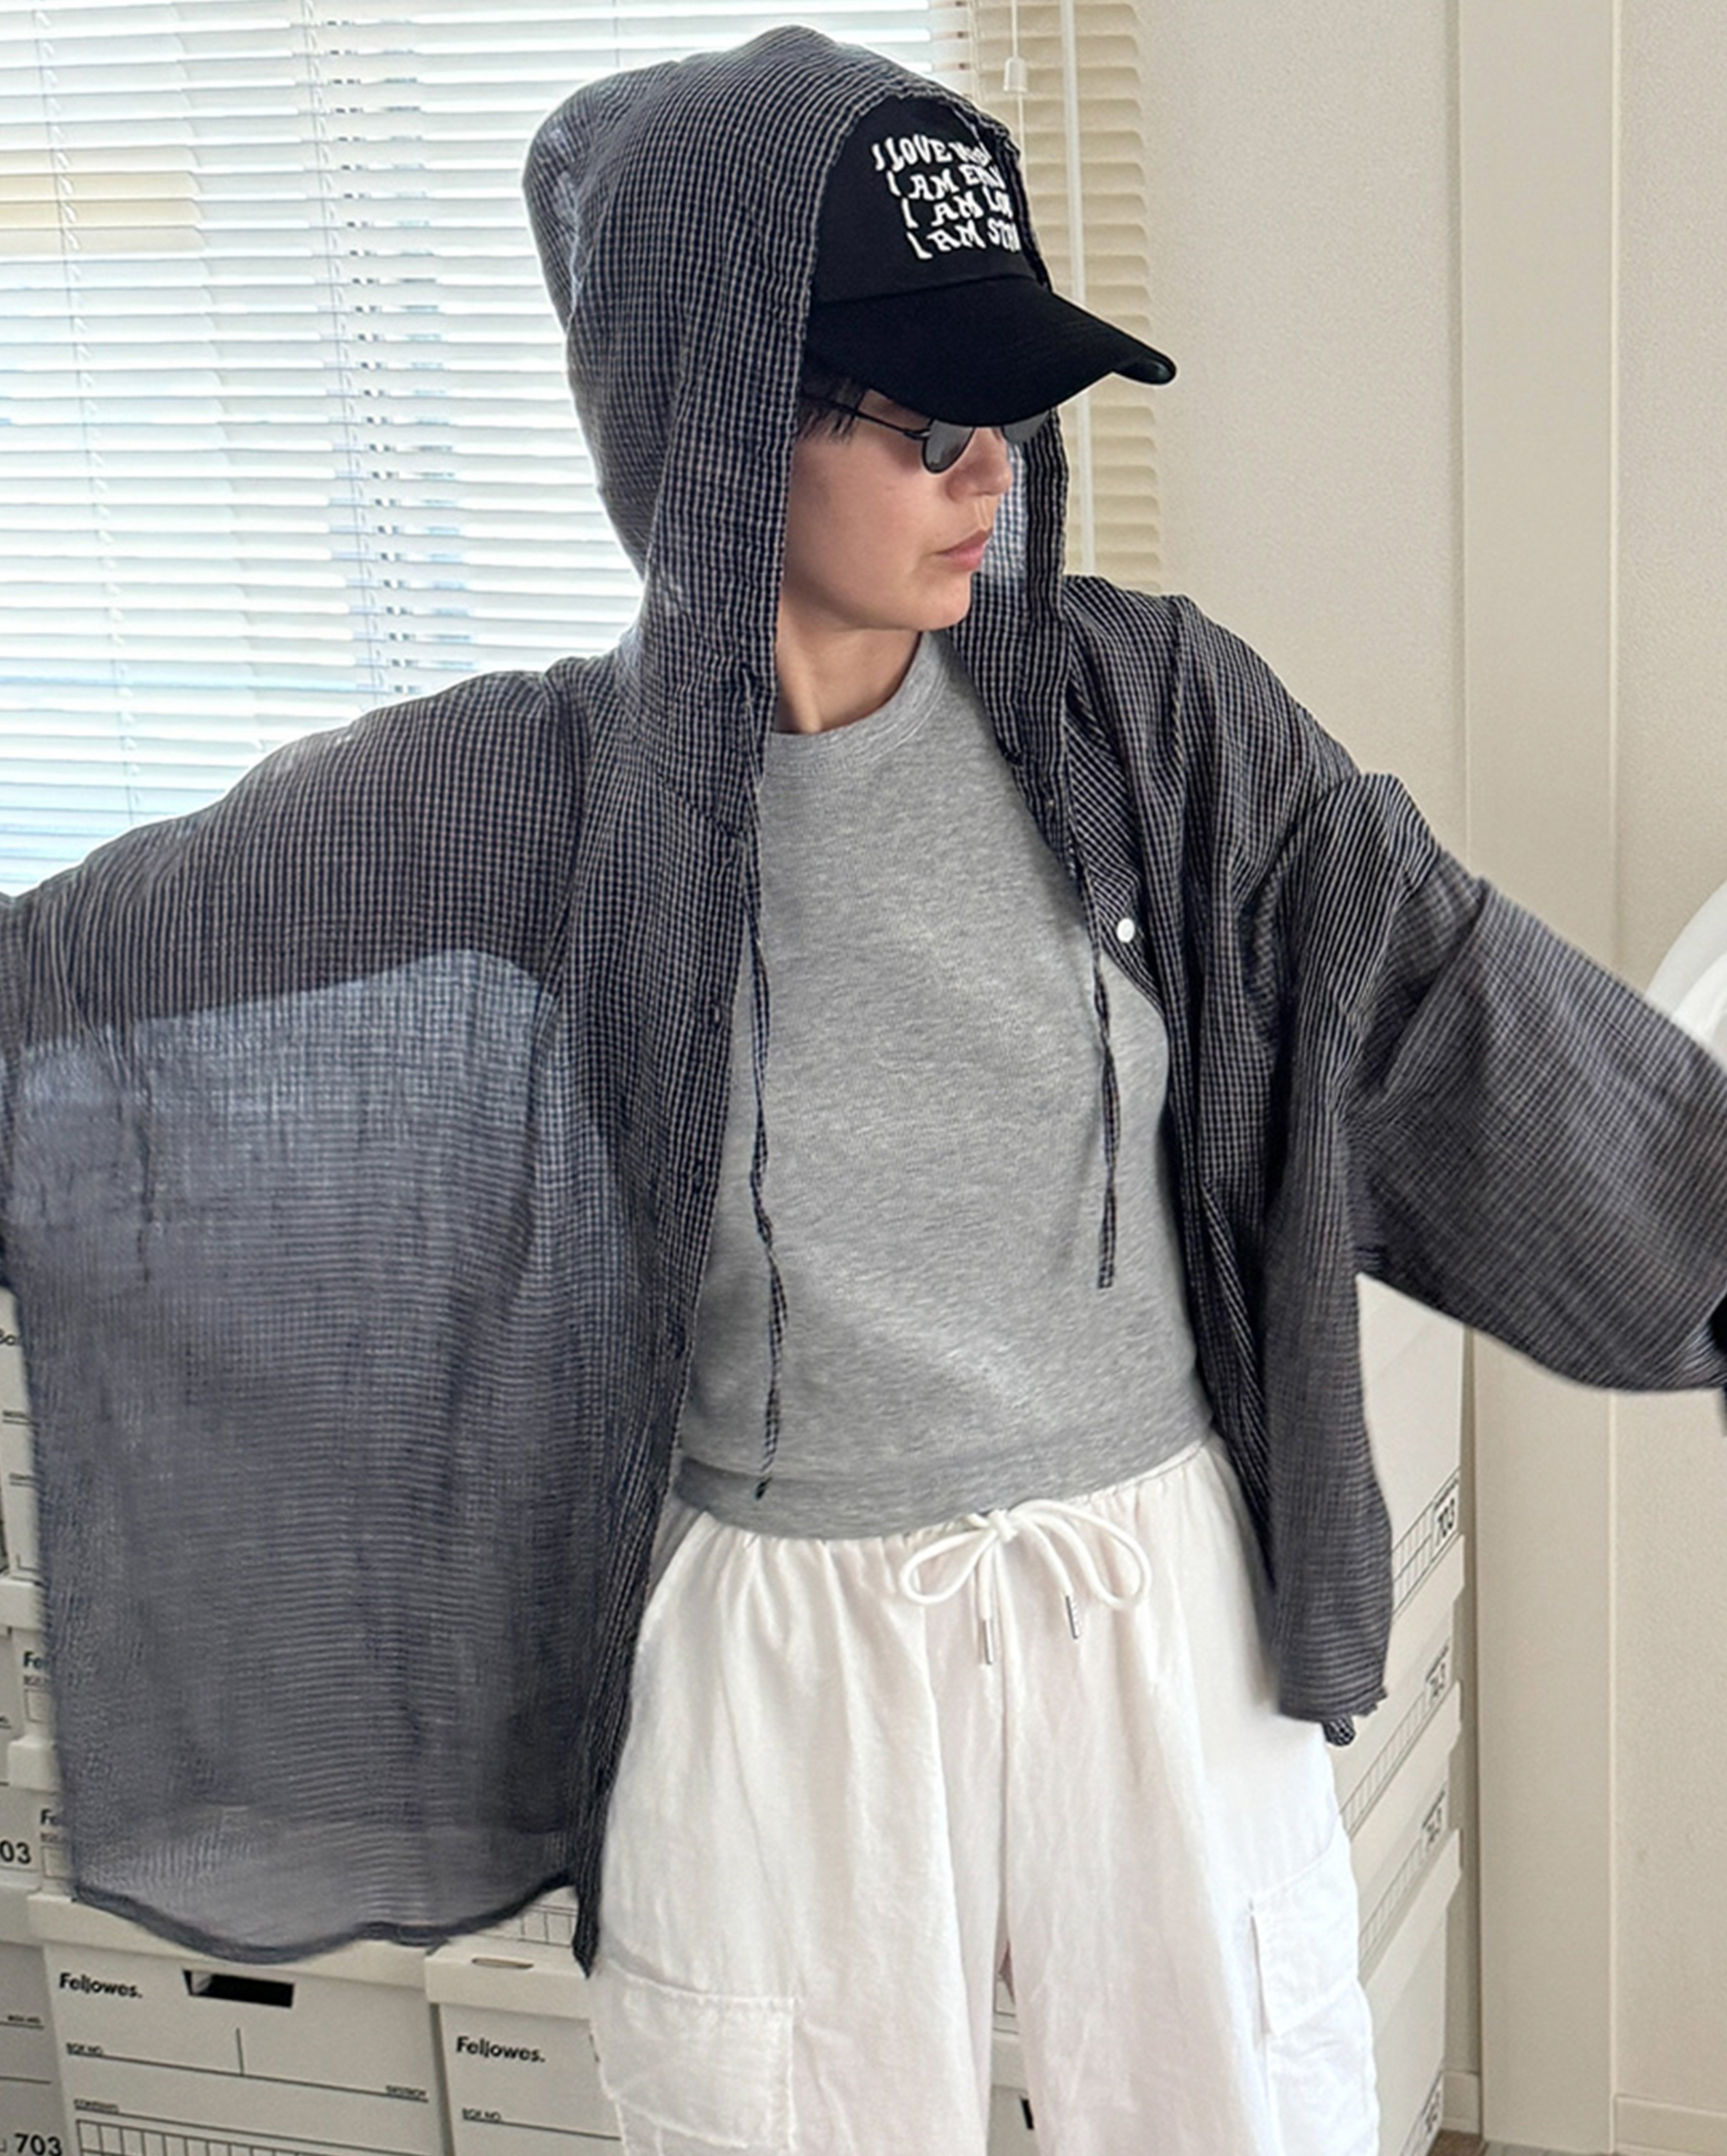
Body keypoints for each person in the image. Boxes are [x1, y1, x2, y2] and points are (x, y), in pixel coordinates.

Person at [5, 22, 1727, 2156]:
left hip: (1149, 1597)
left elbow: (1444, 991)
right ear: (715, 423)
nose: (988, 467)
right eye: (922, 420)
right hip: (784, 1632)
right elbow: (97, 965)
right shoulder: (534, 797)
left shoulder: (1156, 723)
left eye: (1008, 406)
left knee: (1241, 2111)